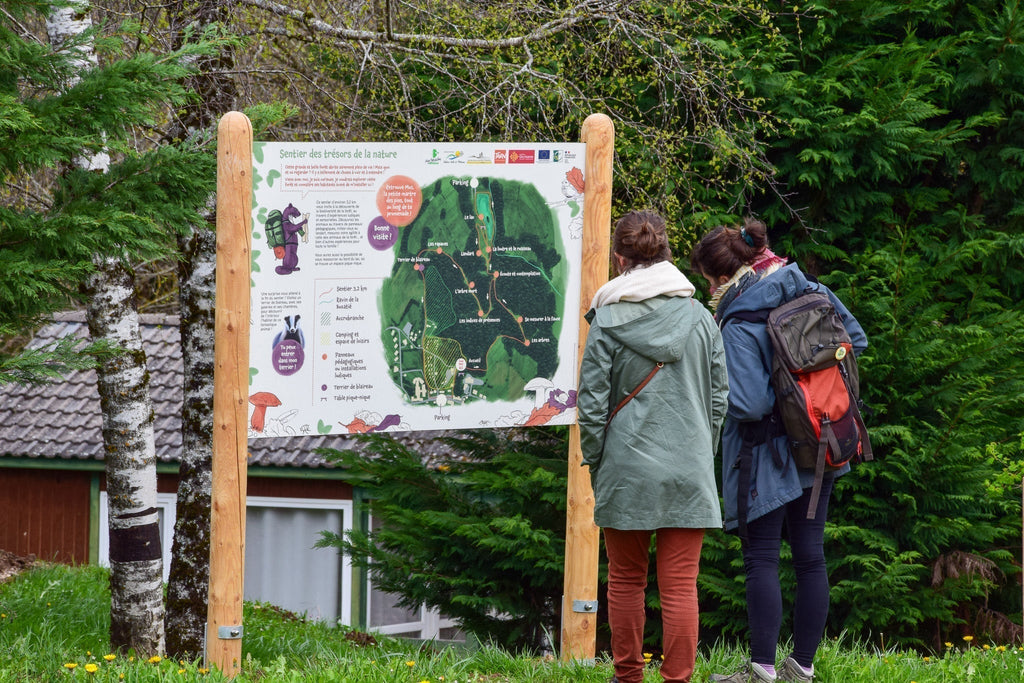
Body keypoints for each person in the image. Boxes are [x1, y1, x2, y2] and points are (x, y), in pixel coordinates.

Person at [689, 218, 868, 683]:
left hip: (766, 455)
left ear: (723, 277)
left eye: (707, 280)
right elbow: (855, 342)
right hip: (821, 439)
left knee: (762, 558)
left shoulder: (737, 319)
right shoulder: (811, 289)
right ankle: (802, 667)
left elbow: (749, 403)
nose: (707, 288)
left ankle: (762, 670)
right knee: (811, 555)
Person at [577, 210, 729, 683]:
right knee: (681, 586)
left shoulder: (606, 319)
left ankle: (628, 678)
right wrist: (703, 453)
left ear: (620, 259)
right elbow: (719, 398)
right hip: (690, 466)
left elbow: (592, 403)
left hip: (625, 468)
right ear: (665, 254)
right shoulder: (702, 318)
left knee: (626, 581)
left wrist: (599, 463)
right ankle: (678, 679)